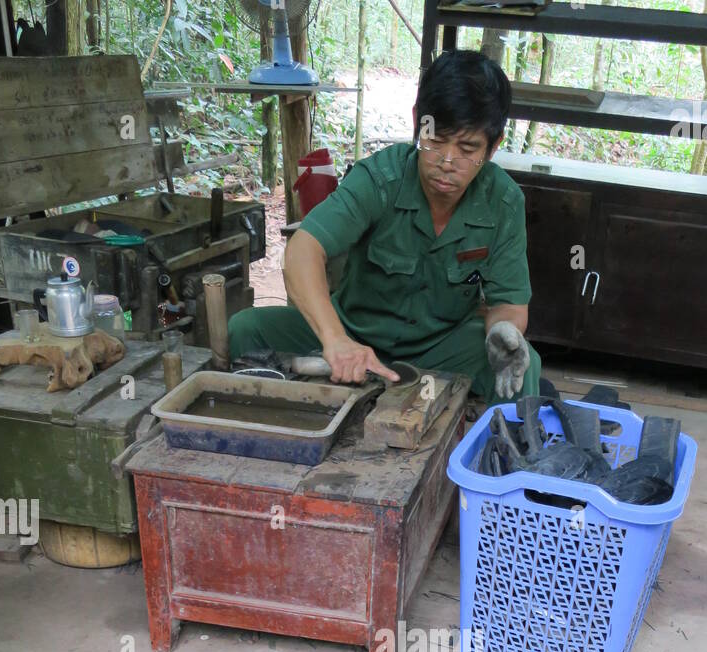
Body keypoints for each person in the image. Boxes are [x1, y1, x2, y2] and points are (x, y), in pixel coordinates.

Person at [228, 49, 541, 405]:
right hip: (352, 333)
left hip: (442, 347)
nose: (447, 162)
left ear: (493, 147)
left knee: (523, 367)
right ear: (417, 123)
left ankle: (499, 459)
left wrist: (503, 331)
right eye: (436, 141)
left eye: (468, 148)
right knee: (245, 329)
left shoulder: (503, 202)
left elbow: (510, 306)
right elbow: (302, 249)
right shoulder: (380, 179)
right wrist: (335, 339)